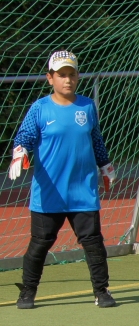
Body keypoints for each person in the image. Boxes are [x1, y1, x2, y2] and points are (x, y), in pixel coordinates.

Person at [7, 50, 117, 310]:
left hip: (83, 190)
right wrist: (19, 153)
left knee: (93, 243)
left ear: (77, 76)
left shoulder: (87, 106)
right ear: (50, 78)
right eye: (61, 75)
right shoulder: (40, 108)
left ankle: (101, 291)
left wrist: (105, 165)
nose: (67, 80)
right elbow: (24, 137)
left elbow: (95, 139)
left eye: (71, 74)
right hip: (49, 192)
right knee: (40, 244)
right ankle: (28, 292)